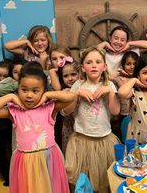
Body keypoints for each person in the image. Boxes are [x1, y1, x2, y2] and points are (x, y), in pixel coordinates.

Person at [0, 64, 74, 193]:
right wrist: (10, 97)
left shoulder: (49, 108)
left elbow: (71, 97)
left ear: (43, 91)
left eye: (35, 91)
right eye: (24, 90)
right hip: (25, 162)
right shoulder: (14, 111)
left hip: (48, 159)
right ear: (18, 88)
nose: (29, 95)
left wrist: (47, 95)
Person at [63, 47, 120, 193]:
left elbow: (115, 111)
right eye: (89, 62)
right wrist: (76, 94)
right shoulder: (78, 85)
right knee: (83, 181)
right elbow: (67, 111)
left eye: (98, 62)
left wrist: (111, 92)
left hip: (104, 141)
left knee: (103, 180)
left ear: (104, 67)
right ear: (83, 67)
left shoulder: (109, 85)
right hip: (82, 140)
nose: (94, 65)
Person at [49, 56, 80, 152]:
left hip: (84, 126)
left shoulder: (84, 87)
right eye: (66, 76)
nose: (70, 78)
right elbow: (64, 112)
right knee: (71, 151)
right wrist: (54, 70)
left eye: (73, 74)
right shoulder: (64, 92)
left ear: (80, 74)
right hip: (68, 127)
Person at [112, 51, 139, 139]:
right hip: (122, 114)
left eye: (135, 64)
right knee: (123, 137)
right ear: (123, 65)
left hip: (138, 114)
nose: (132, 67)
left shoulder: (140, 78)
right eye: (128, 64)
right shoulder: (119, 79)